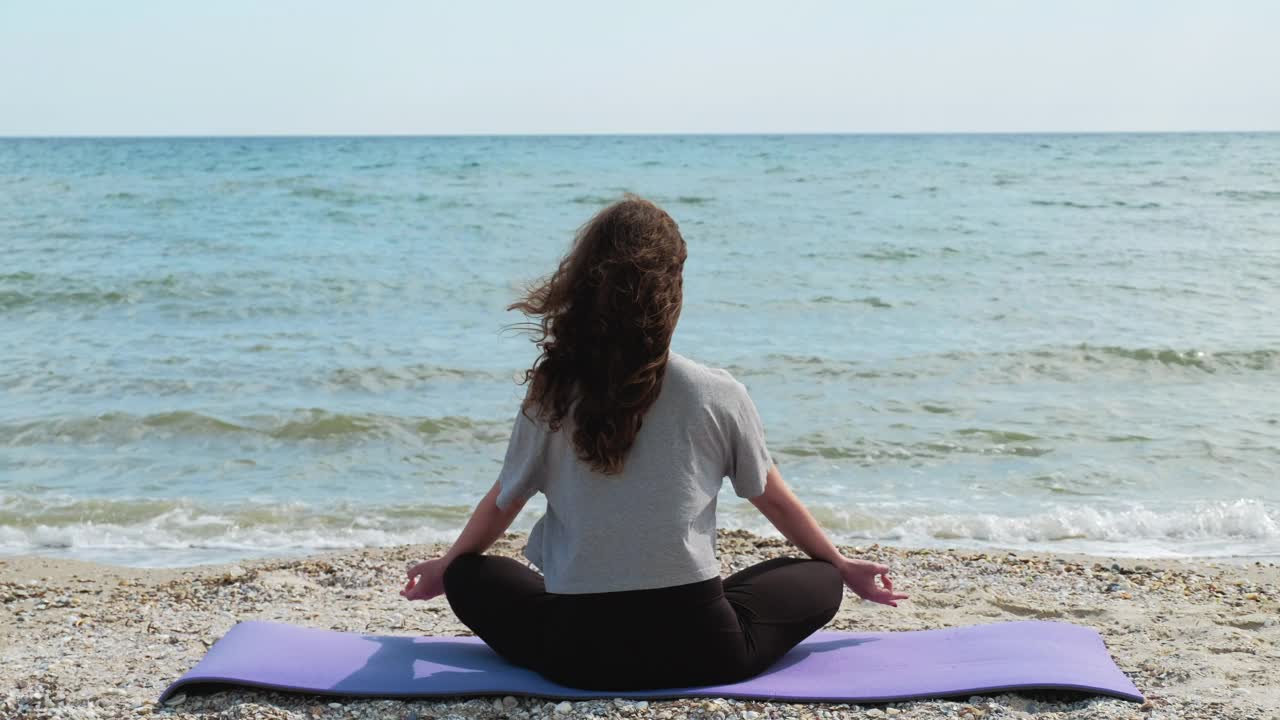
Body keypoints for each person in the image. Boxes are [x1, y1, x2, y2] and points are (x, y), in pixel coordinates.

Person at [400, 195, 907, 691]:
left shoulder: (553, 392)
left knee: (471, 575)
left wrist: (448, 566)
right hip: (706, 648)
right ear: (672, 290)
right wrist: (841, 566)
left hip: (575, 656)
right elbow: (770, 496)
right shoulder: (717, 391)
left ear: (584, 287)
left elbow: (503, 501)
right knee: (816, 577)